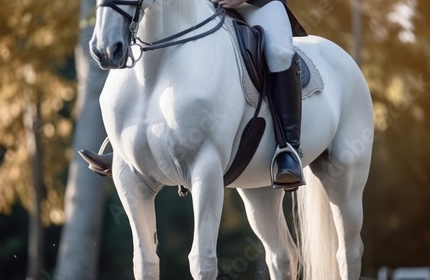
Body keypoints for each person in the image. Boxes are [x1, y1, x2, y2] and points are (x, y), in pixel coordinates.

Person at [80, 0, 305, 189]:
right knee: (147, 42)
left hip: (257, 4)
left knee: (280, 53)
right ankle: (125, 146)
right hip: (200, 4)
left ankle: (288, 148)